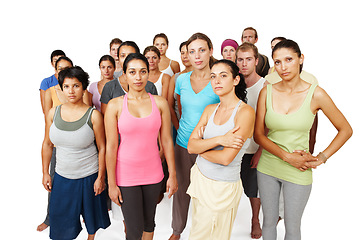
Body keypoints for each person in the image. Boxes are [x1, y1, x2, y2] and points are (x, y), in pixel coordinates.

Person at [254, 39, 352, 240]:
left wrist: (322, 157)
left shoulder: (316, 93)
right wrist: (287, 157)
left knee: (292, 227)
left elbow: (345, 130)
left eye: (289, 59)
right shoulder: (267, 91)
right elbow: (258, 135)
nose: (283, 67)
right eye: (277, 62)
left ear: (301, 59)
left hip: (299, 169)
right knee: (269, 222)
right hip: (269, 166)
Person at [105, 53, 178, 240]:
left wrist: (173, 175)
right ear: (125, 74)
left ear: (148, 73)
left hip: (153, 174)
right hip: (126, 174)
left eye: (142, 72)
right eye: (132, 72)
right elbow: (111, 147)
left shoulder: (160, 103)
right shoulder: (115, 106)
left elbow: (167, 141)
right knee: (134, 229)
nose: (138, 77)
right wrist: (111, 184)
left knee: (149, 223)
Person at [187, 59, 255, 239]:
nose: (216, 81)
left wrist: (200, 147)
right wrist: (220, 139)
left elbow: (226, 158)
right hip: (200, 178)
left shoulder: (245, 112)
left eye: (223, 76)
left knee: (216, 235)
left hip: (222, 187)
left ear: (235, 80)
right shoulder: (210, 109)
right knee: (197, 232)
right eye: (213, 76)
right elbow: (190, 146)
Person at [42, 66, 110, 240]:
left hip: (88, 176)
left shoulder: (93, 115)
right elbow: (48, 144)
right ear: (61, 88)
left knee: (91, 220)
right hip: (63, 176)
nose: (71, 91)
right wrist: (45, 173)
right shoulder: (53, 113)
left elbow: (102, 147)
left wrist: (100, 177)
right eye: (66, 86)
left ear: (84, 87)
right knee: (60, 221)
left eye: (76, 86)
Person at [169, 33, 220, 240]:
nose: (197, 56)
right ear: (187, 55)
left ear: (210, 51)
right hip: (183, 143)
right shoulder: (181, 79)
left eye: (202, 50)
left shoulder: (219, 79)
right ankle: (176, 231)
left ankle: (204, 233)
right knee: (182, 190)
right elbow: (179, 109)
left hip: (209, 147)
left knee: (207, 193)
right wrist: (181, 129)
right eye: (192, 51)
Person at [236, 42, 266, 239]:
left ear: (256, 61)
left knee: (253, 188)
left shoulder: (266, 86)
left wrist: (260, 151)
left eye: (248, 59)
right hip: (234, 146)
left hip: (255, 147)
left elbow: (270, 123)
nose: (244, 63)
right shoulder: (233, 82)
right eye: (240, 59)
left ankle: (255, 219)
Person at [37, 49, 66, 232]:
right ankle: (50, 217)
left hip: (78, 146)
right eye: (58, 66)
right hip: (58, 142)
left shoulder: (77, 88)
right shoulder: (48, 88)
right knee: (55, 182)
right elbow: (46, 113)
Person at [100, 41, 157, 114]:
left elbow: (155, 114)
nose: (127, 59)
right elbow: (105, 117)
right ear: (118, 58)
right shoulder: (109, 87)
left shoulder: (150, 86)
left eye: (130, 55)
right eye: (122, 56)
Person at [168, 41, 193, 132]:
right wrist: (178, 128)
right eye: (182, 53)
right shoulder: (175, 78)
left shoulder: (204, 77)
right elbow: (170, 106)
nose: (185, 56)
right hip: (179, 128)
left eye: (188, 52)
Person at [39, 50, 66, 115]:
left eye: (61, 59)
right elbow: (45, 110)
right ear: (52, 63)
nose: (59, 62)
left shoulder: (75, 81)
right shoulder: (46, 82)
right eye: (55, 60)